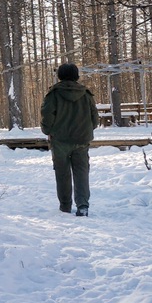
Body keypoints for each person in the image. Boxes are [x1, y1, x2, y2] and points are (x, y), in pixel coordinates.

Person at [40, 63, 96, 215]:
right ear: (77, 75)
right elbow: (94, 118)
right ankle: (83, 205)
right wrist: (86, 130)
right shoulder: (86, 94)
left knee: (62, 173)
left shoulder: (54, 94)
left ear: (59, 75)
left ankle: (65, 206)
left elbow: (47, 116)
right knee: (82, 173)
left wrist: (48, 131)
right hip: (81, 140)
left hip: (60, 141)